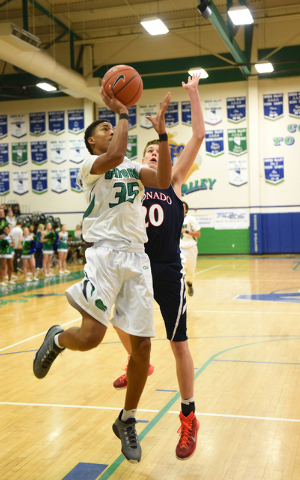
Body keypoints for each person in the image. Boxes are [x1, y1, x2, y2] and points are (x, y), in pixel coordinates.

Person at [33, 85, 172, 463]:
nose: (111, 131)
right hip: (104, 256)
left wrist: (162, 135)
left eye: (114, 127)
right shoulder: (91, 168)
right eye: (105, 129)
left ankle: (127, 419)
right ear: (92, 142)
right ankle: (59, 339)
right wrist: (123, 113)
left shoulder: (131, 167)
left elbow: (163, 180)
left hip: (136, 259)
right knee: (92, 338)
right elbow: (115, 155)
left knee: (142, 348)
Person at [113, 75, 205, 461]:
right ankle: (138, 362)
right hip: (136, 264)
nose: (153, 154)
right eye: (149, 150)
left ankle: (188, 415)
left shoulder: (175, 178)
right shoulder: (134, 178)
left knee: (177, 342)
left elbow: (198, 135)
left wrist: (193, 93)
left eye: (158, 151)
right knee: (112, 315)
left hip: (167, 266)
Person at [180, 202, 201, 296]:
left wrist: (186, 231)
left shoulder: (190, 219)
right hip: (180, 248)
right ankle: (180, 288)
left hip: (191, 248)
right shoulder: (174, 218)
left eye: (183, 207)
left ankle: (190, 284)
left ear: (186, 210)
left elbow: (198, 234)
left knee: (191, 272)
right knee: (181, 269)